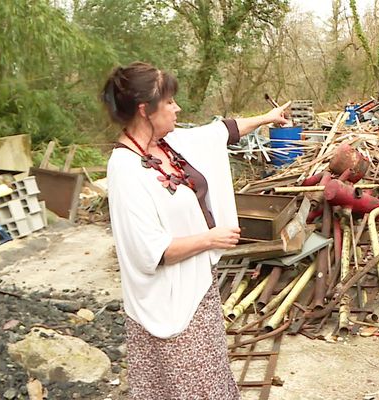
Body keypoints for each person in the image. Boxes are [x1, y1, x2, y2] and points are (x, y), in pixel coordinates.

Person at [101, 61, 290, 399]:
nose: (178, 108)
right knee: (184, 388)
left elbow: (222, 131)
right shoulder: (126, 170)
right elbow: (150, 252)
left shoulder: (169, 145)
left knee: (211, 378)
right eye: (170, 102)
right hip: (168, 307)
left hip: (198, 290)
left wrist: (266, 119)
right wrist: (210, 238)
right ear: (146, 110)